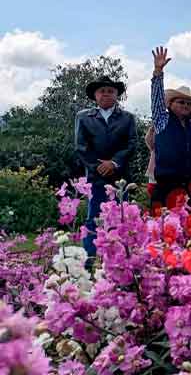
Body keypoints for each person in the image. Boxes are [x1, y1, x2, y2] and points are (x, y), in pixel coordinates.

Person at [74, 75, 137, 269]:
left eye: (111, 91)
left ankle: (120, 265)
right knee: (93, 220)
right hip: (95, 178)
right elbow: (80, 147)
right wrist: (99, 167)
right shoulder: (83, 117)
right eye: (102, 91)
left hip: (120, 179)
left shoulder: (128, 118)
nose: (106, 94)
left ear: (117, 94)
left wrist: (114, 163)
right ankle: (89, 264)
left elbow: (132, 144)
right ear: (95, 95)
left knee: (121, 220)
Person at [151, 46, 191, 205]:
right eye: (181, 102)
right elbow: (156, 98)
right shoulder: (162, 119)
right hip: (167, 187)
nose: (186, 105)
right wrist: (158, 71)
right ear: (170, 104)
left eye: (188, 103)